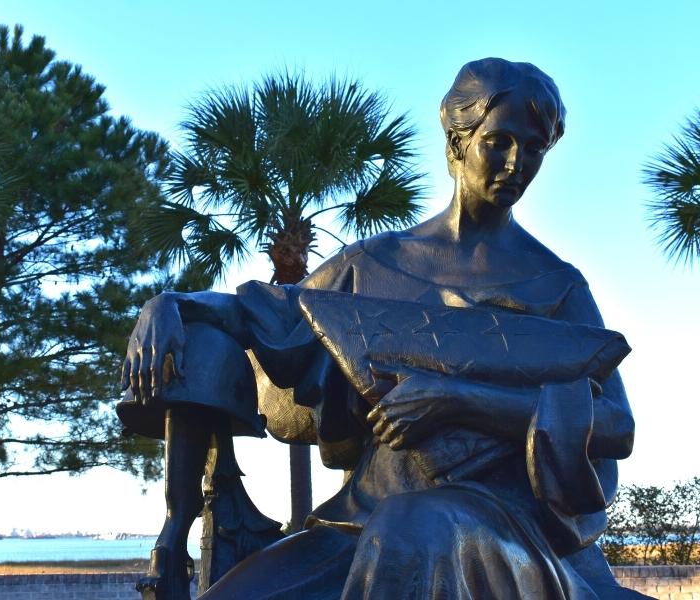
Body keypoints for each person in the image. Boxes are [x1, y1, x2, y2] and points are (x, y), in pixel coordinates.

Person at [120, 58, 641, 599]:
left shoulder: (555, 285)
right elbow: (267, 311)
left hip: (500, 523)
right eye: (500, 141)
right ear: (457, 143)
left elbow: (615, 424)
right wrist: (169, 305)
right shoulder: (371, 266)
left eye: (533, 149)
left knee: (412, 533)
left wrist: (457, 400)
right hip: (360, 521)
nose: (516, 163)